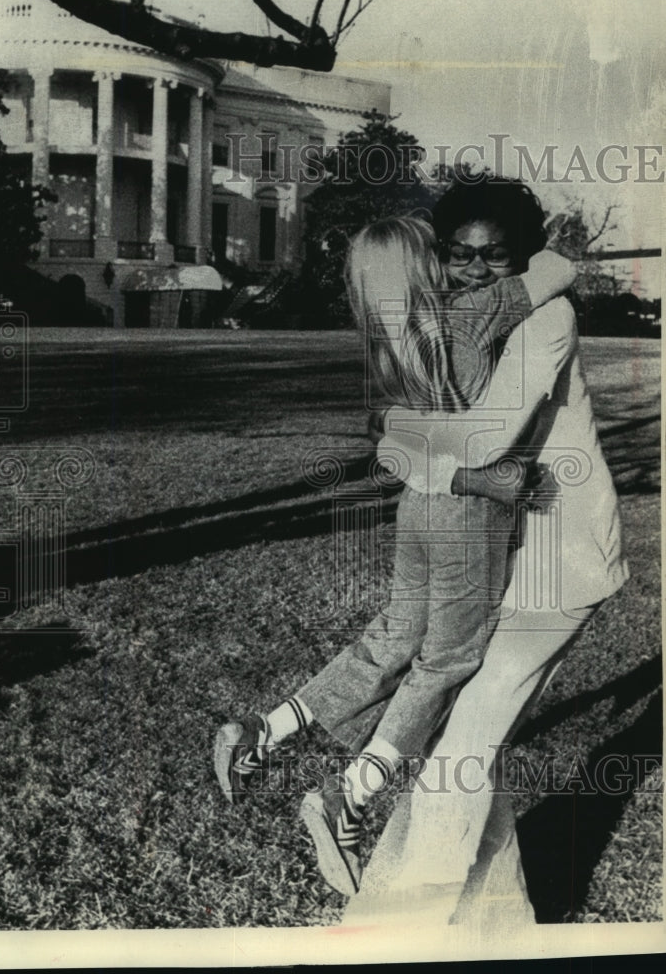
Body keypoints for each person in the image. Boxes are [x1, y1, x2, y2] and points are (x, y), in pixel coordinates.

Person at [214, 212, 576, 896]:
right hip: (470, 514)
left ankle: (265, 729)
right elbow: (558, 270)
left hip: (416, 504)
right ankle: (348, 797)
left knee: (393, 636)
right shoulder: (471, 312)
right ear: (425, 264)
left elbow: (388, 438)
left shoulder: (384, 339)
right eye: (442, 253)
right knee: (448, 660)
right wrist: (537, 253)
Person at [341, 176, 629, 929]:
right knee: (468, 734)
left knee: (466, 737)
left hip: (563, 550)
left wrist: (392, 430)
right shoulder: (472, 319)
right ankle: (486, 918)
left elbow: (482, 443)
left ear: (523, 255)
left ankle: (410, 923)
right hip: (506, 538)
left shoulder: (547, 319)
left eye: (494, 256)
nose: (472, 270)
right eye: (458, 254)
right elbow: (431, 456)